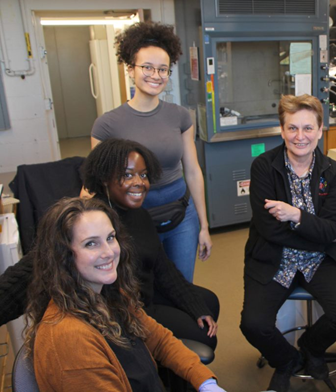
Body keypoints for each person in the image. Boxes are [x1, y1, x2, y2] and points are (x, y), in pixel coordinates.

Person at [0, 139, 219, 354]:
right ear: (104, 179)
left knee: (208, 303)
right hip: (119, 311)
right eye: (127, 175)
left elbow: (162, 268)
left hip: (143, 295)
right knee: (203, 337)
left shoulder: (139, 215)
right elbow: (30, 271)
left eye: (143, 175)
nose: (139, 182)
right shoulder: (88, 220)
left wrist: (194, 305)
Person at [23, 197, 226, 392]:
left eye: (110, 238)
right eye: (91, 244)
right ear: (62, 256)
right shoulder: (69, 338)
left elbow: (160, 340)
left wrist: (204, 380)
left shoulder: (108, 294)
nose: (109, 252)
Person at [239, 94, 336, 392]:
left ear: (320, 130)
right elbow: (270, 230)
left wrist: (295, 215)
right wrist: (320, 234)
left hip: (320, 261)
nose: (300, 136)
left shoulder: (332, 171)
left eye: (308, 128)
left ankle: (310, 345)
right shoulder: (263, 167)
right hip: (273, 257)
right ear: (281, 131)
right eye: (292, 128)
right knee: (253, 325)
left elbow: (334, 227)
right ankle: (286, 360)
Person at [91, 21, 210, 282]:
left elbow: (192, 171)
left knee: (182, 285)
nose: (156, 75)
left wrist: (204, 225)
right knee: (143, 292)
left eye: (163, 69)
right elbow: (95, 184)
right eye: (147, 67)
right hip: (133, 221)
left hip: (181, 216)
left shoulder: (180, 116)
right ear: (130, 68)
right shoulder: (107, 124)